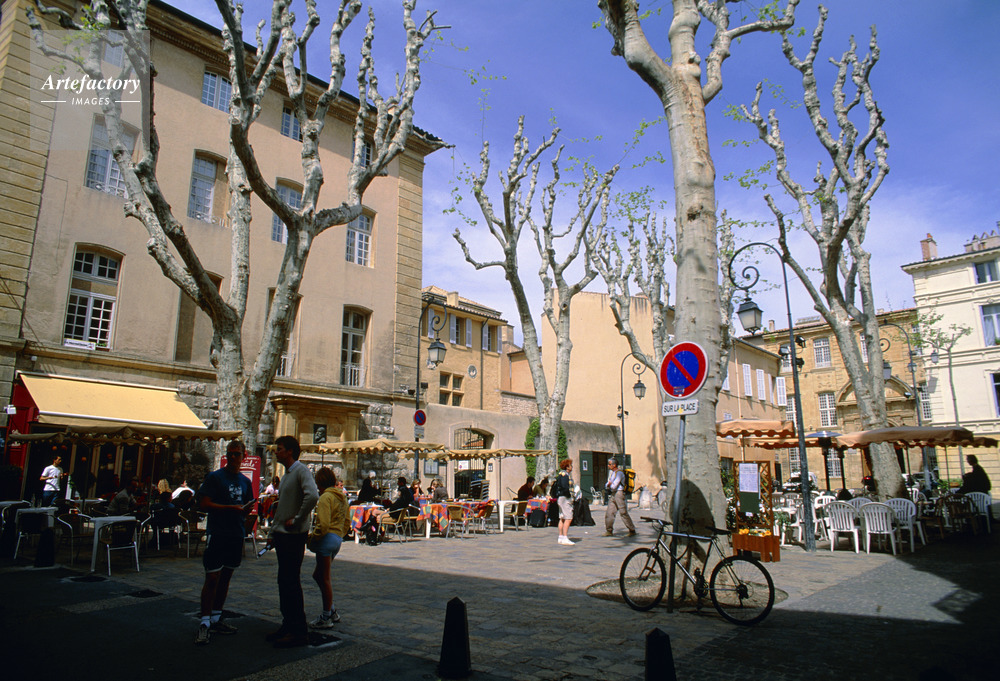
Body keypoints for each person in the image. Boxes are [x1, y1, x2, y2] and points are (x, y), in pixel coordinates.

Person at [193, 440, 253, 646]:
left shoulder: (245, 482)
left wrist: (245, 512)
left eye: (237, 454)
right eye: (230, 453)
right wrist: (230, 509)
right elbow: (204, 503)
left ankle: (216, 618)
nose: (233, 457)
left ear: (244, 456)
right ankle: (204, 621)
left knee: (226, 577)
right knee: (212, 578)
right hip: (218, 532)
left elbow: (246, 506)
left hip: (235, 534)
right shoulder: (215, 477)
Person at [266, 435, 319, 649]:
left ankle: (298, 631)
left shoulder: (300, 470)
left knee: (290, 582)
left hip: (293, 535)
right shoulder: (288, 473)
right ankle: (288, 624)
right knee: (284, 581)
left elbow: (312, 496)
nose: (276, 452)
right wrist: (273, 531)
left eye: (279, 449)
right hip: (283, 534)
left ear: (289, 451)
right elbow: (283, 506)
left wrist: (297, 519)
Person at [309, 467, 348, 629]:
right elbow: (347, 520)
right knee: (318, 575)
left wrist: (313, 537)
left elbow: (323, 524)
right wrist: (340, 534)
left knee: (324, 578)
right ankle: (331, 610)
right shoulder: (342, 497)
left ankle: (326, 616)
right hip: (337, 538)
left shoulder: (326, 497)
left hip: (326, 539)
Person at [604, 458, 636, 537]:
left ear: (614, 465)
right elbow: (607, 484)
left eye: (609, 464)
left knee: (623, 513)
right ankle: (609, 530)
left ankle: (632, 529)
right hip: (613, 494)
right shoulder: (613, 473)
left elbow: (614, 486)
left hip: (619, 493)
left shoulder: (619, 473)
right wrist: (609, 485)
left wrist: (609, 485)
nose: (608, 466)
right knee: (609, 513)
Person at [551, 460, 575, 545]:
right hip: (565, 498)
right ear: (567, 467)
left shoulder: (561, 474)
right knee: (568, 518)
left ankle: (560, 537)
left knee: (562, 518)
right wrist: (569, 496)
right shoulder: (565, 475)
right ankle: (565, 537)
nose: (572, 467)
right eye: (570, 465)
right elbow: (565, 487)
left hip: (561, 498)